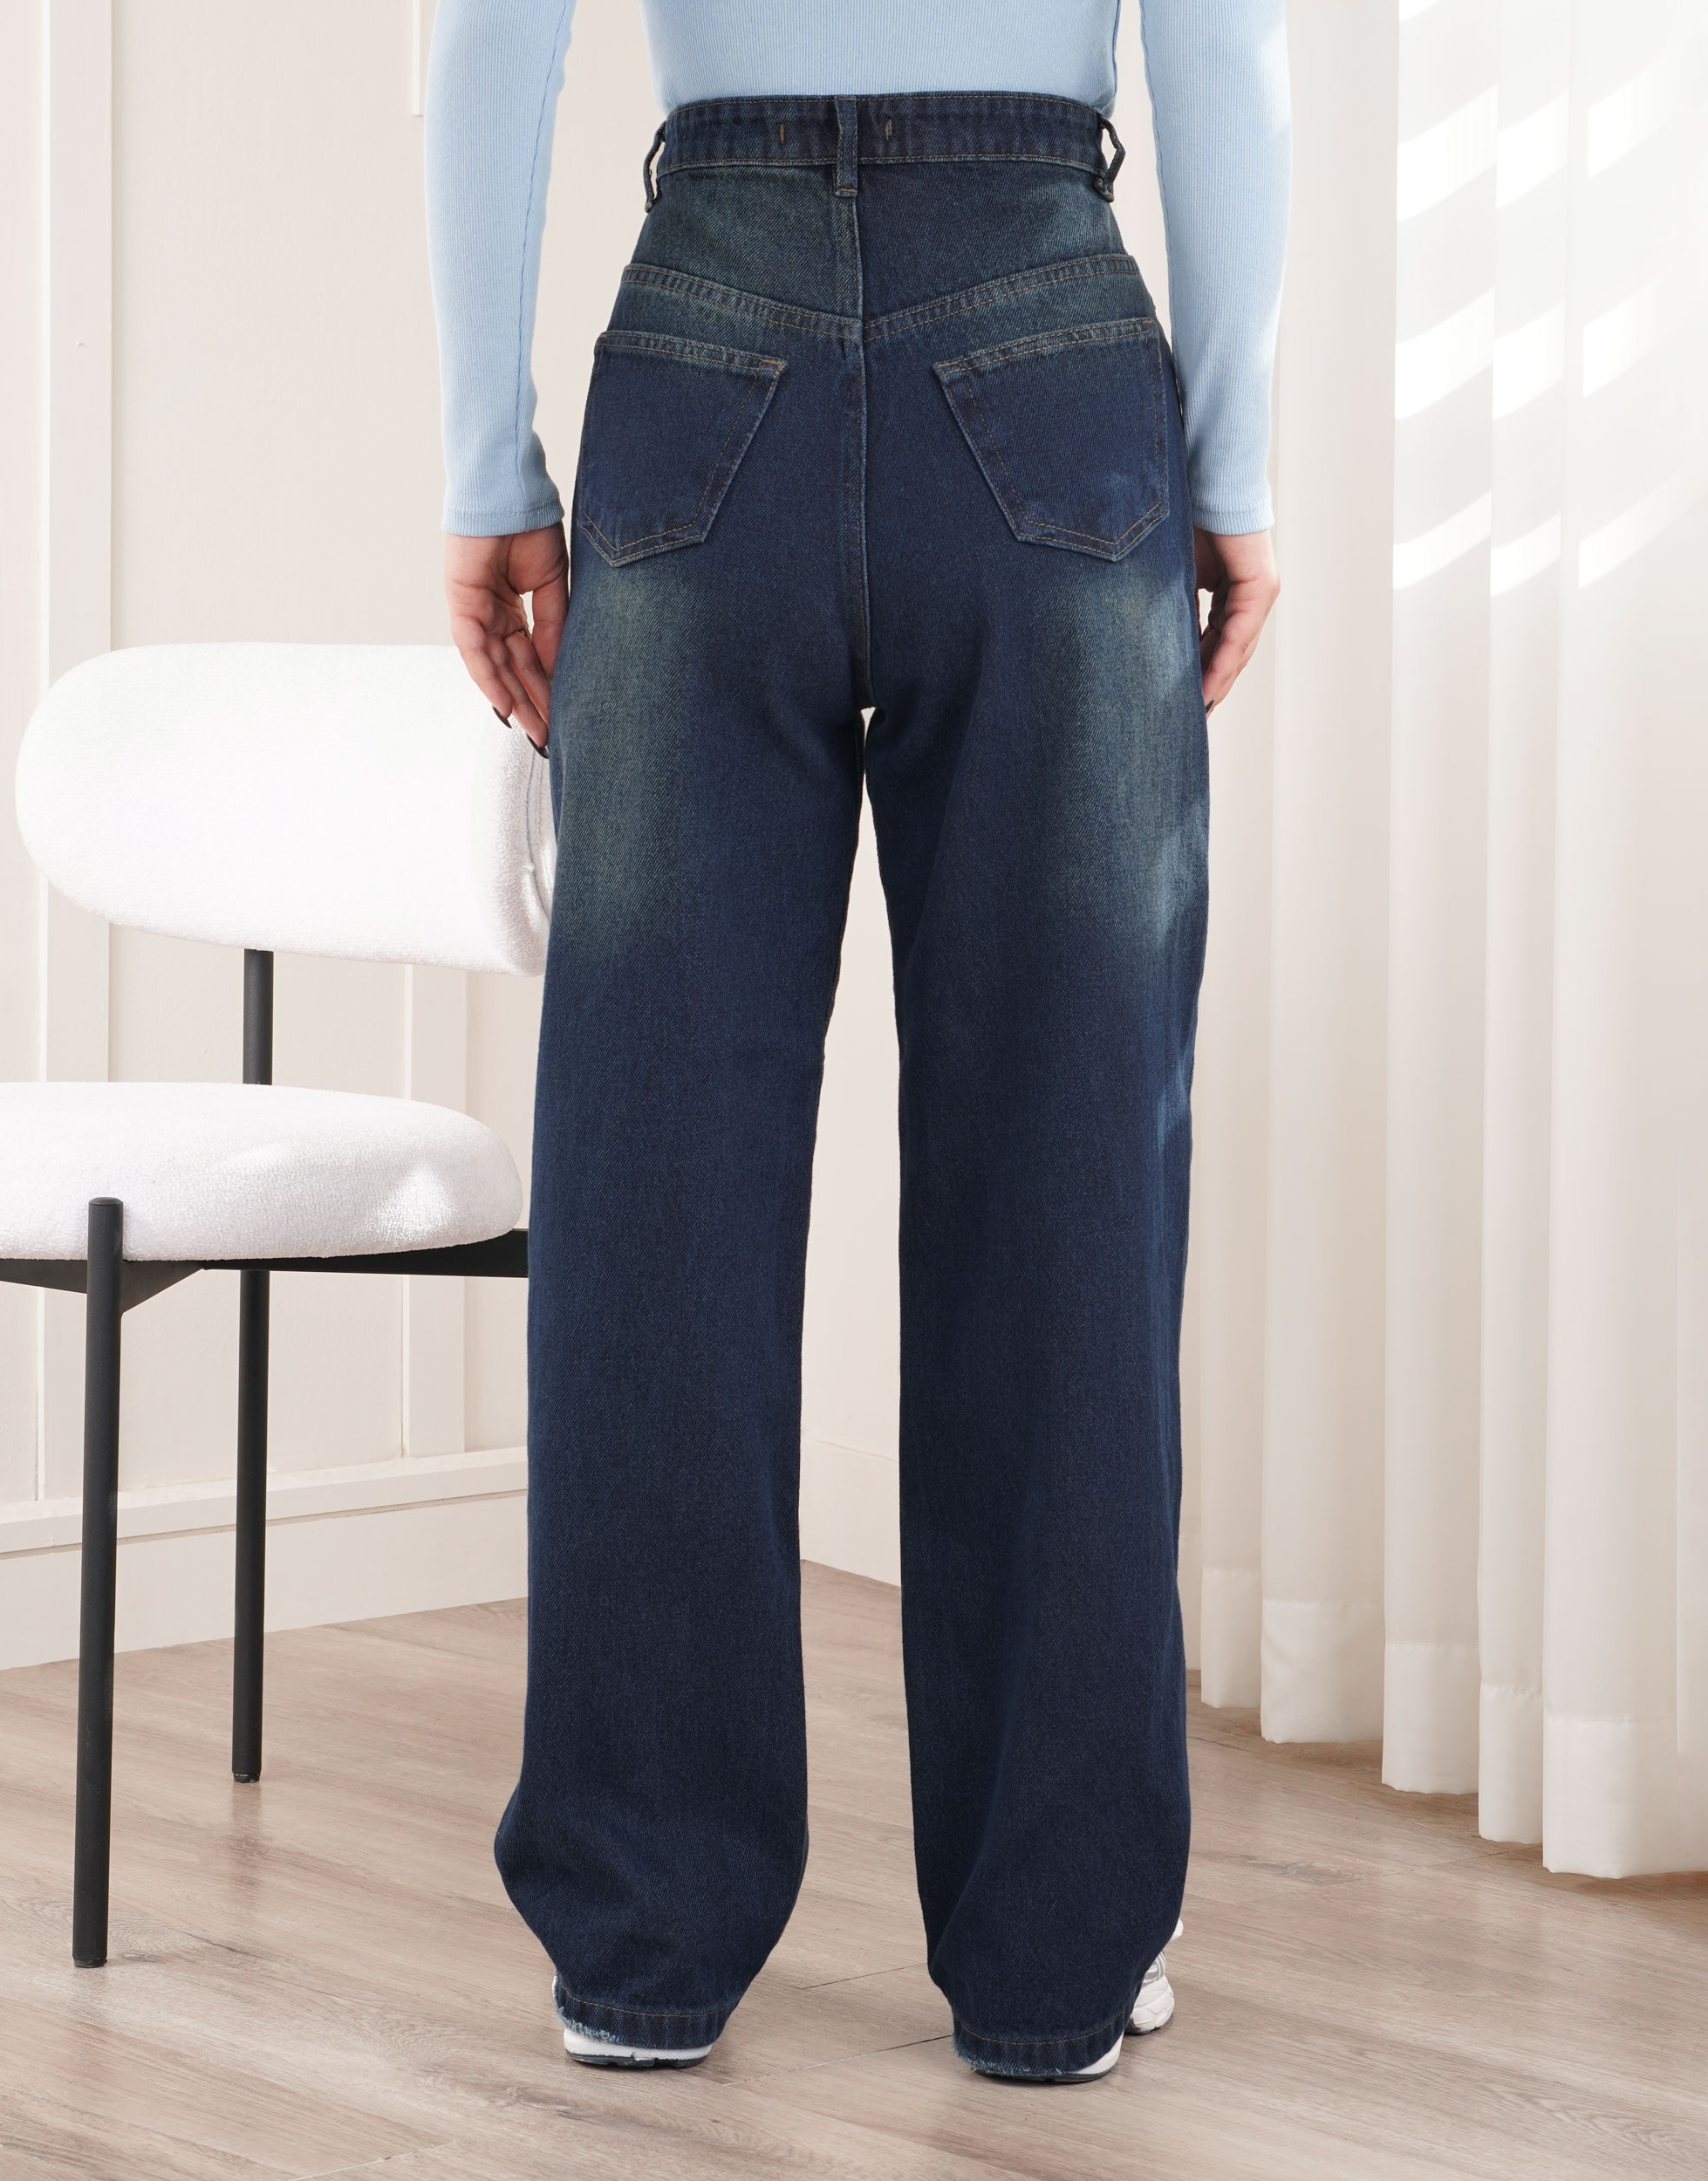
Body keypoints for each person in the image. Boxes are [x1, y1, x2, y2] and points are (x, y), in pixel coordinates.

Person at [426, 0, 1288, 2085]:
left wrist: (484, 461)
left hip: (705, 338)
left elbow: (490, 43)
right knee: (1067, 1177)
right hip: (1043, 338)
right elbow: (1222, 56)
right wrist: (1233, 466)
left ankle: (640, 1933)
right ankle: (1053, 1961)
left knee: (654, 1179)